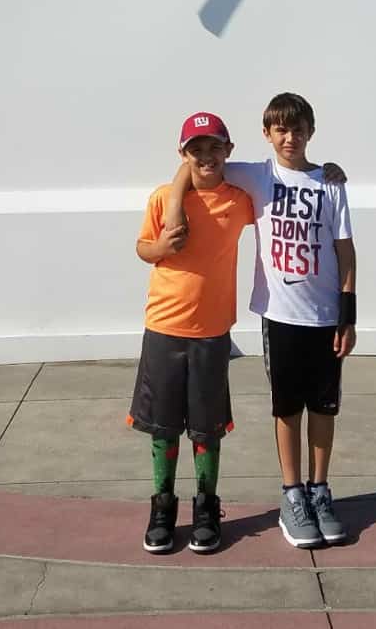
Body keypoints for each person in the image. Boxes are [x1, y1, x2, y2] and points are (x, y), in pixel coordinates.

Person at [167, 91, 356, 550]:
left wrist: (348, 314)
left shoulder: (331, 184)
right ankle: (292, 493)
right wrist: (174, 206)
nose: (290, 137)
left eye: (298, 129)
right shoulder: (257, 175)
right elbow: (195, 167)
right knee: (288, 408)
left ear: (311, 131)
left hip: (326, 315)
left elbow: (345, 251)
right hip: (281, 315)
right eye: (281, 130)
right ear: (268, 135)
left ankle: (320, 490)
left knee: (325, 409)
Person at [128, 111, 254, 555]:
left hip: (212, 331)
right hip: (163, 325)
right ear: (182, 154)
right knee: (162, 427)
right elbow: (143, 247)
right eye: (195, 150)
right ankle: (162, 505)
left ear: (229, 151)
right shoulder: (163, 198)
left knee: (207, 427)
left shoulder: (240, 200)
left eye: (214, 148)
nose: (206, 157)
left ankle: (206, 505)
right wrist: (160, 247)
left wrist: (327, 173)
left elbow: (283, 183)